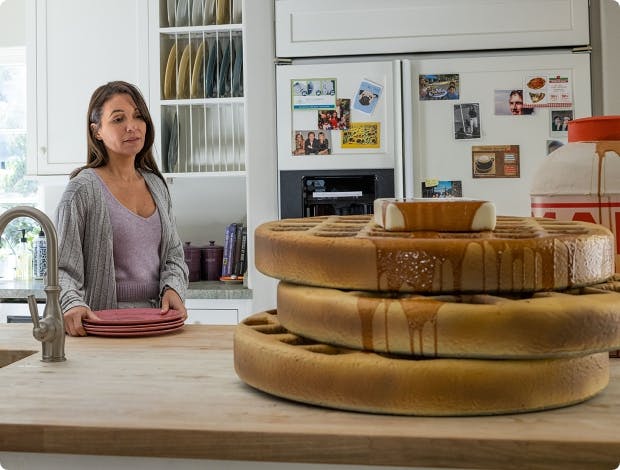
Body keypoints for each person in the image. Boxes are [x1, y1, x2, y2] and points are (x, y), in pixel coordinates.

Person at [55, 81, 189, 336]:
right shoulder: (82, 189)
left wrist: (173, 288)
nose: (132, 126)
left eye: (138, 116)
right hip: (101, 326)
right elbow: (60, 268)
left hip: (158, 322)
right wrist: (71, 303)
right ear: (97, 131)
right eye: (118, 119)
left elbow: (173, 254)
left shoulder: (156, 184)